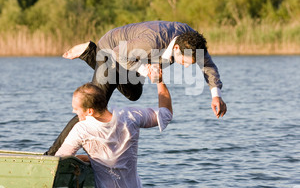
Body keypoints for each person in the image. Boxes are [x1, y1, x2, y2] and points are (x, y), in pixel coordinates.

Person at [46, 20, 226, 155]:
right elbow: (118, 54)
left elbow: (208, 66)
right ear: (177, 48)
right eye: (184, 62)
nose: (186, 66)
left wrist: (215, 94)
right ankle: (52, 156)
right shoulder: (152, 41)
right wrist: (142, 69)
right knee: (92, 108)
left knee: (133, 94)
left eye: (190, 63)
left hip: (132, 56)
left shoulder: (193, 41)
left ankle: (90, 53)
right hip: (112, 51)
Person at [55, 66, 173, 188]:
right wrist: (159, 81)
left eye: (76, 108)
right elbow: (165, 115)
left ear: (90, 111)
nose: (74, 111)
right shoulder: (130, 115)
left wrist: (85, 159)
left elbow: (58, 161)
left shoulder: (82, 129)